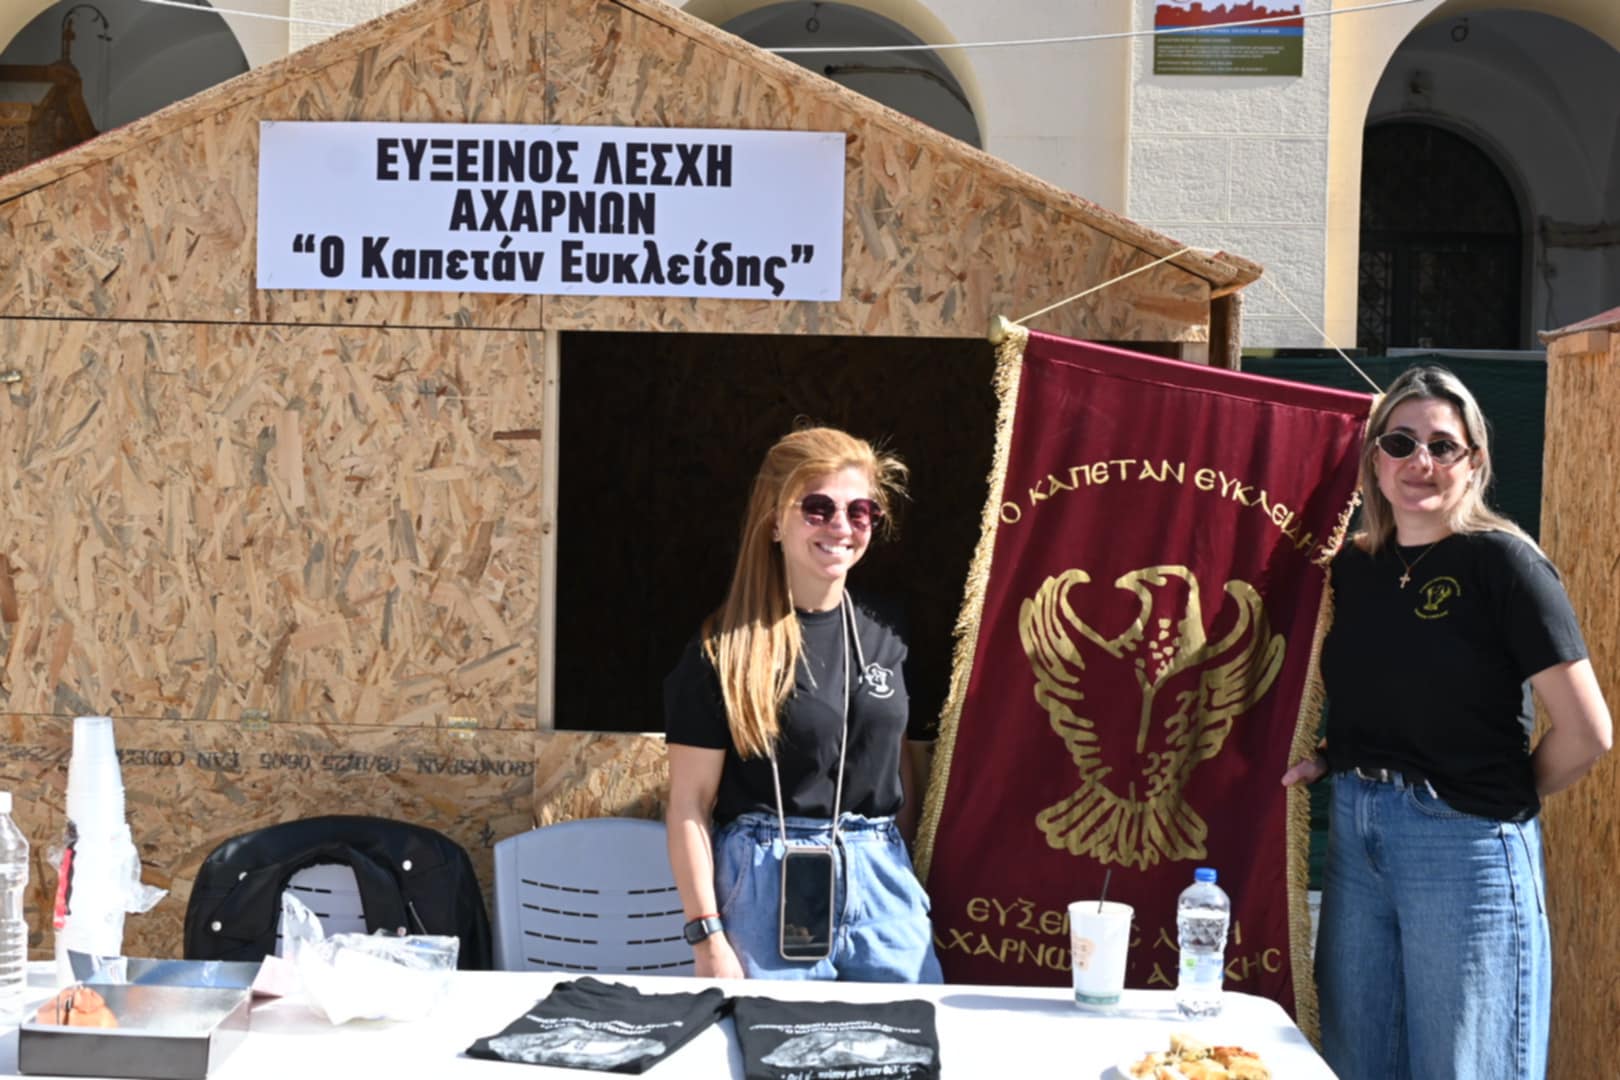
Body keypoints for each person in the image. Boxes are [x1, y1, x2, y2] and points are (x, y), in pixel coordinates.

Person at [1282, 365, 1611, 1080]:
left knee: (1464, 1068)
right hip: (1357, 837)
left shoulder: (1506, 563)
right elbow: (1395, 691)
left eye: (1442, 445)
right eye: (1400, 443)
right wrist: (1334, 755)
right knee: (1354, 1063)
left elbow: (1588, 733)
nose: (1420, 462)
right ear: (1375, 458)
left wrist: (1481, 799)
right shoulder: (1354, 569)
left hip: (1463, 845)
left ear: (1475, 460)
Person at [663, 426, 943, 982]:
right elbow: (688, 805)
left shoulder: (891, 633)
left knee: (909, 1032)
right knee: (774, 1036)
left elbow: (900, 766)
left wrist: (897, 867)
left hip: (880, 877)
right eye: (819, 508)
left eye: (860, 511)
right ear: (774, 520)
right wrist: (707, 936)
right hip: (767, 875)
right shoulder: (722, 650)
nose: (841, 526)